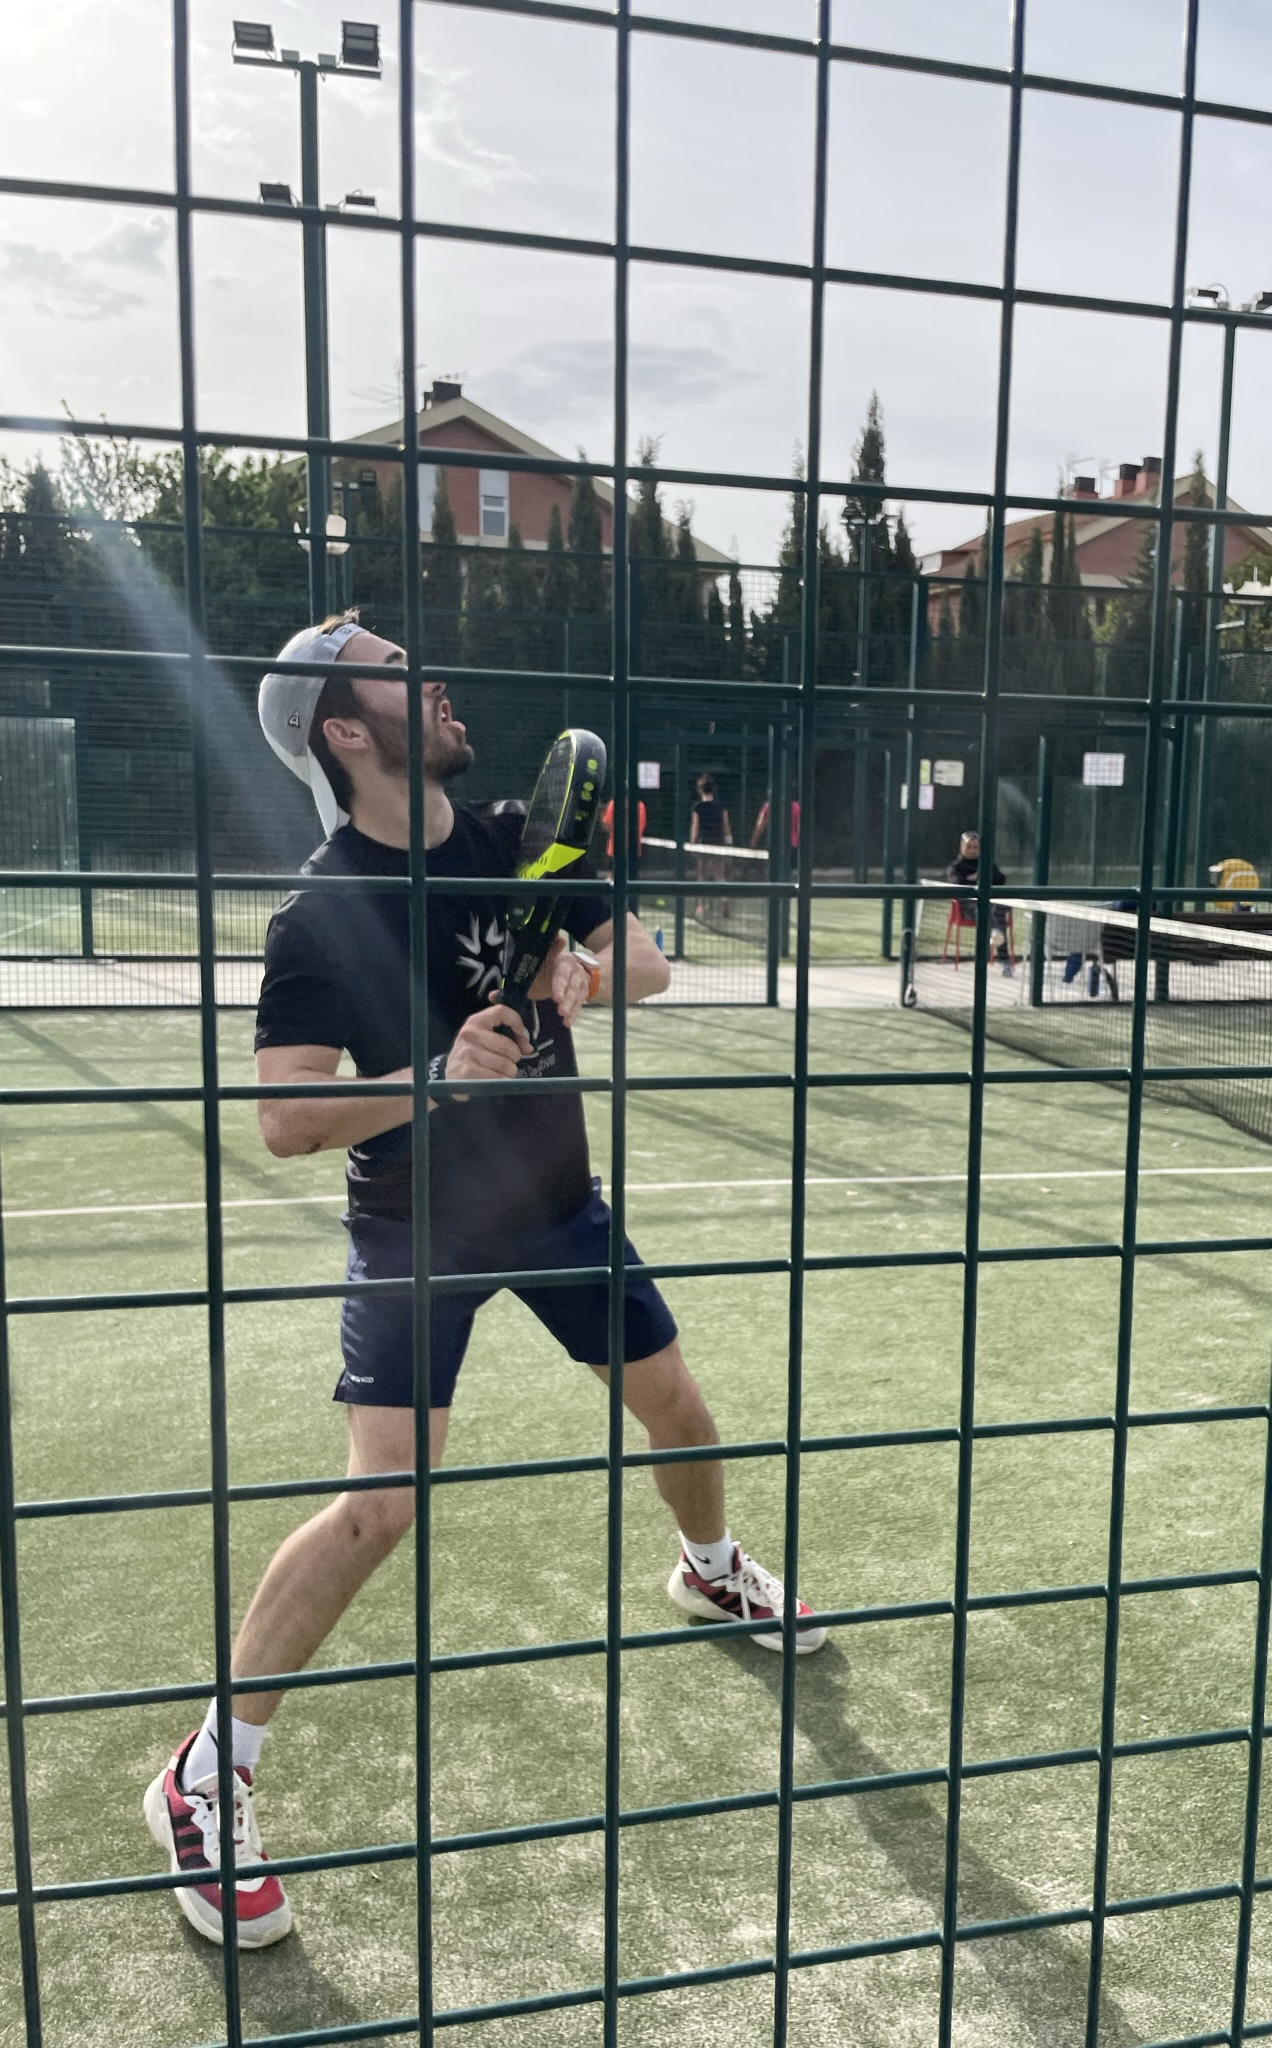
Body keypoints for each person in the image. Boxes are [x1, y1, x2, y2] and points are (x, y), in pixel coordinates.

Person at [143, 614, 823, 1952]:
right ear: (346, 729)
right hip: (415, 1232)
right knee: (381, 1502)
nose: (432, 679)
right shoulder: (320, 911)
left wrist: (588, 971)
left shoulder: (523, 838)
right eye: (394, 671)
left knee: (681, 1411)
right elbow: (284, 1119)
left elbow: (650, 963)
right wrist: (436, 1079)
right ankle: (203, 1774)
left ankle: (708, 1570)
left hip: (557, 1205)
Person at [946, 828, 1013, 974]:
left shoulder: (986, 863)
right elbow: (958, 883)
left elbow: (1001, 879)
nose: (972, 850)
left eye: (975, 847)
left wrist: (985, 874)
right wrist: (976, 878)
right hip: (968, 908)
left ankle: (995, 938)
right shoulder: (955, 867)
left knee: (997, 909)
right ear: (961, 847)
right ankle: (1000, 956)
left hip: (993, 906)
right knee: (989, 914)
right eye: (969, 846)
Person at [688, 772, 732, 920]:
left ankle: (700, 906)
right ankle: (724, 899)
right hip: (718, 843)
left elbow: (695, 827)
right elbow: (726, 825)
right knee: (720, 874)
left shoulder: (698, 807)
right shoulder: (721, 806)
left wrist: (692, 843)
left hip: (704, 843)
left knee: (702, 875)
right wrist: (729, 842)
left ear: (700, 789)